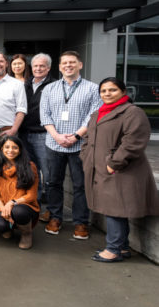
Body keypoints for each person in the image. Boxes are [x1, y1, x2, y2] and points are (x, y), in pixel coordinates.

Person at [81, 78, 159, 262]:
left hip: (121, 169)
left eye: (112, 90)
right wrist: (85, 155)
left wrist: (113, 163)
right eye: (103, 91)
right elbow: (89, 138)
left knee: (114, 209)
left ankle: (113, 249)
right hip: (100, 167)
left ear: (123, 92)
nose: (107, 94)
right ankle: (122, 247)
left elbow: (133, 141)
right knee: (114, 208)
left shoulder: (132, 112)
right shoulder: (98, 113)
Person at [39, 51, 102, 239]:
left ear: (80, 65)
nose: (68, 65)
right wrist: (57, 136)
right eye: (64, 63)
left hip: (80, 145)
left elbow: (93, 115)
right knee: (53, 183)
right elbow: (44, 114)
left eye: (72, 62)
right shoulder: (49, 88)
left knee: (80, 185)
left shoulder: (92, 89)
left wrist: (76, 136)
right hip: (54, 144)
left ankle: (81, 222)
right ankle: (55, 217)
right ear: (59, 67)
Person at [0, 136, 40, 249]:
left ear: (20, 150)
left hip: (24, 206)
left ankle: (26, 233)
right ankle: (10, 226)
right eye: (7, 147)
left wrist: (12, 202)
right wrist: (3, 209)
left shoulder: (30, 166)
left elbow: (32, 196)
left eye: (15, 147)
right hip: (3, 205)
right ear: (2, 149)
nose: (10, 150)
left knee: (18, 212)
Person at [20, 53, 54, 204]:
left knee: (48, 173)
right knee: (31, 172)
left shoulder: (54, 85)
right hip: (24, 134)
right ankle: (35, 203)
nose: (38, 69)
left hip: (43, 135)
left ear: (48, 68)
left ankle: (51, 209)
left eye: (42, 66)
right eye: (35, 66)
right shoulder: (25, 84)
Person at [0, 53, 27, 165]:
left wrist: (14, 130)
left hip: (8, 132)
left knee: (9, 166)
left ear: (6, 64)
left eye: (1, 61)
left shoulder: (17, 84)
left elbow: (21, 110)